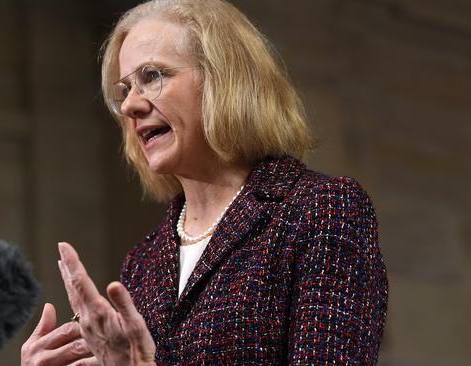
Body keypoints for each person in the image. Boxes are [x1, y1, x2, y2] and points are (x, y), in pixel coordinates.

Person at [21, 0, 388, 365]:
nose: (131, 105)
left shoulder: (321, 209)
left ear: (222, 80)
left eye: (151, 76)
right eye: (124, 90)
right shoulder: (143, 262)